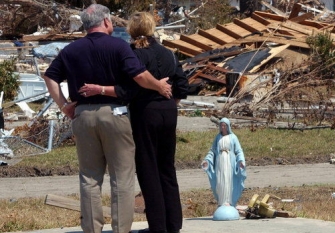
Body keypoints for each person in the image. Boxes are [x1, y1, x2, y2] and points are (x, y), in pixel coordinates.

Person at [42, 4, 172, 233]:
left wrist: (64, 106)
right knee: (121, 177)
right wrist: (159, 86)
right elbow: (140, 76)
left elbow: (49, 76)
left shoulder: (71, 50)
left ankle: (92, 229)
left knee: (89, 177)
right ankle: (121, 229)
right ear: (106, 21)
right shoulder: (119, 46)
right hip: (115, 114)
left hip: (82, 115)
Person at [79, 12, 188, 233]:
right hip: (168, 110)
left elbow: (128, 89)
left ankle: (158, 226)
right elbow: (183, 86)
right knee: (167, 167)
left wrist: (102, 90)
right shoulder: (170, 54)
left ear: (131, 30)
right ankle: (174, 224)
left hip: (145, 112)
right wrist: (168, 100)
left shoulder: (133, 54)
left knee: (148, 168)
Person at [201, 118, 247, 207]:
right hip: (220, 162)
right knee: (220, 180)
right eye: (221, 125)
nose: (223, 127)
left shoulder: (233, 137)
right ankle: (221, 201)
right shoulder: (218, 137)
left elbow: (239, 151)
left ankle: (229, 201)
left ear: (228, 126)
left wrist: (241, 160)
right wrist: (207, 160)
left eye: (224, 126)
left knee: (229, 180)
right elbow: (212, 151)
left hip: (230, 162)